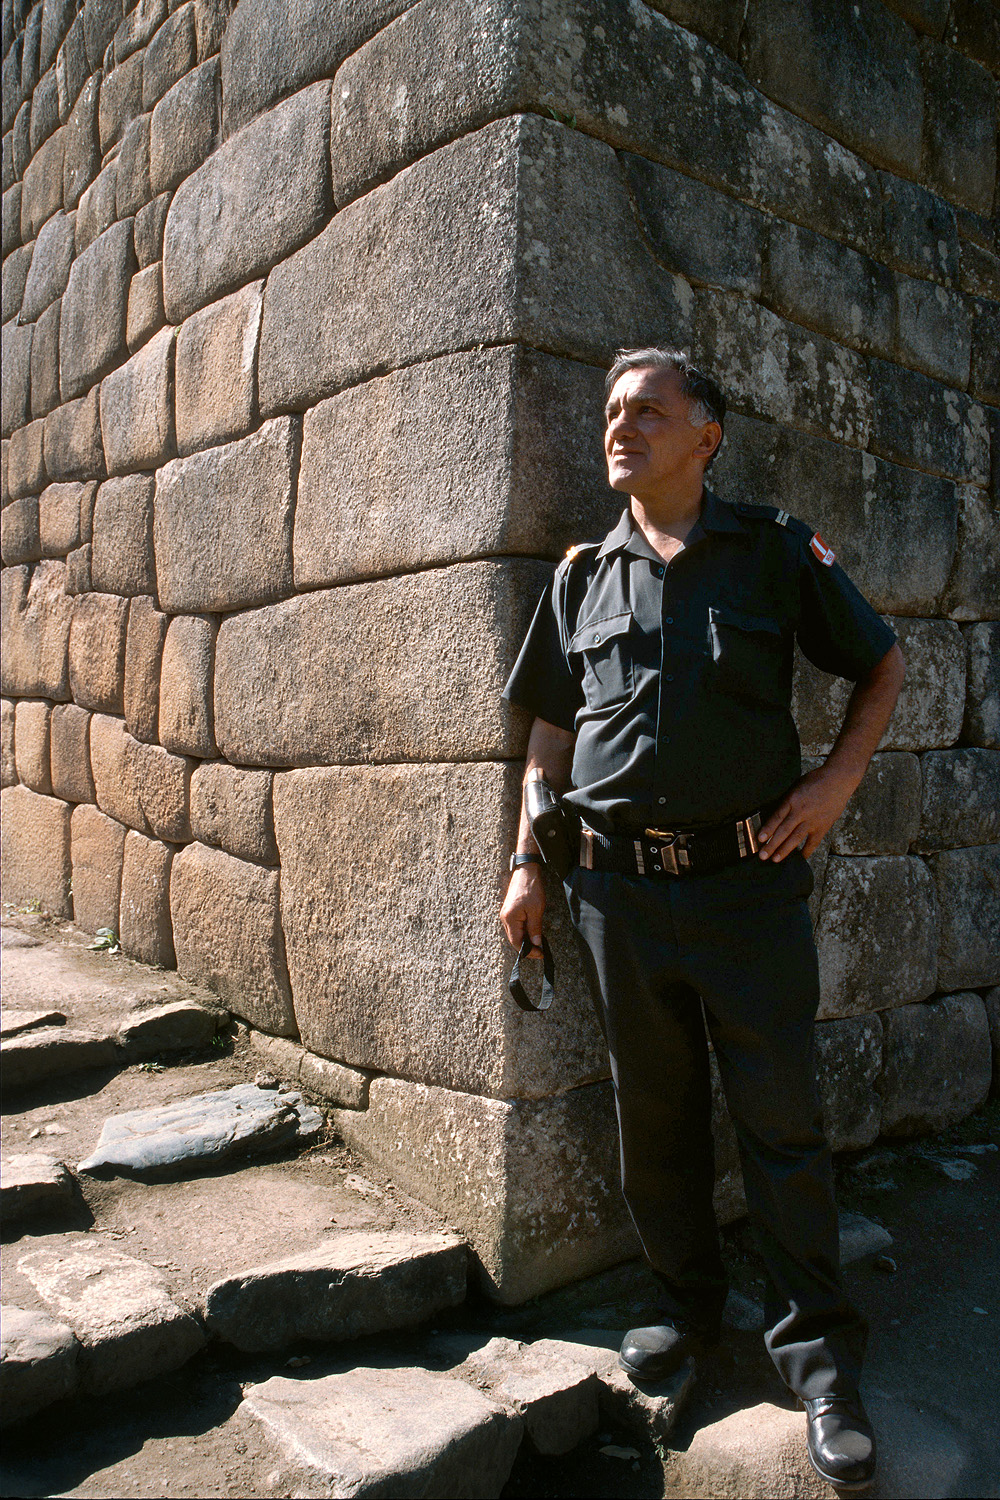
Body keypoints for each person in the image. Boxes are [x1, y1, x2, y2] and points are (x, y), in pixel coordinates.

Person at [499, 346, 905, 1493]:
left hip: (745, 888)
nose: (621, 426)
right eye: (612, 411)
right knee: (655, 1123)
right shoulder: (581, 575)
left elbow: (881, 665)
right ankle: (683, 1317)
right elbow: (549, 730)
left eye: (648, 410)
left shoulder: (772, 552)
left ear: (705, 436)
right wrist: (529, 853)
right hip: (616, 897)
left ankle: (820, 1361)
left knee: (780, 1121)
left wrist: (832, 788)